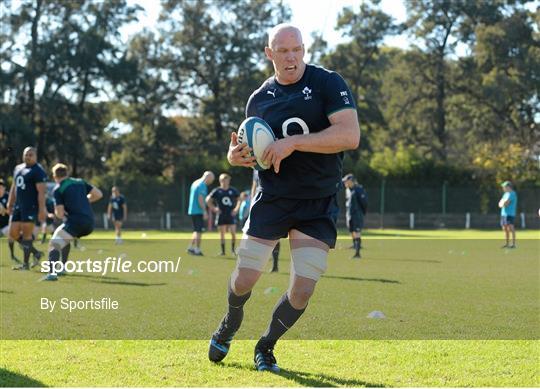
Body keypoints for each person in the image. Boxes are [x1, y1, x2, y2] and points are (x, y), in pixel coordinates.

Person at [208, 24, 360, 372]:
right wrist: (236, 156)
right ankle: (230, 322)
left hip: (317, 202)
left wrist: (292, 143)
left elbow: (349, 135)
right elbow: (252, 150)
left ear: (303, 50)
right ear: (269, 53)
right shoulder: (258, 99)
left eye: (297, 50)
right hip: (273, 198)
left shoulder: (328, 83)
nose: (291, 58)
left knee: (303, 289)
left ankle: (266, 345)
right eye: (283, 51)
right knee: (245, 278)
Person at [41, 163, 102, 281]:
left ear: (55, 176)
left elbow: (59, 213)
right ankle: (62, 268)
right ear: (67, 173)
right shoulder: (80, 182)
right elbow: (99, 194)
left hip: (76, 221)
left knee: (55, 243)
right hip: (89, 222)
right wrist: (84, 201)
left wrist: (56, 212)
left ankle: (52, 273)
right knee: (64, 238)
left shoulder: (58, 189)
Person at [7, 147, 47, 270]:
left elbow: (41, 192)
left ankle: (25, 265)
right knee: (13, 233)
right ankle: (36, 253)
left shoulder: (38, 171)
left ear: (35, 156)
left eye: (31, 155)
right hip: (19, 206)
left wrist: (41, 210)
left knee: (26, 235)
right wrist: (10, 203)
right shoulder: (18, 168)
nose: (28, 157)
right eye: (26, 154)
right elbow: (14, 187)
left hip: (31, 207)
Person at [251, 170, 280, 272]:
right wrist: (252, 202)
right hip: (260, 203)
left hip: (275, 202)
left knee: (275, 234)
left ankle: (275, 265)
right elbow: (254, 185)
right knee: (255, 234)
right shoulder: (255, 168)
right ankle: (255, 264)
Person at [206, 173, 240, 256]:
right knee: (222, 234)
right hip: (221, 215)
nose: (225, 181)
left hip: (230, 214)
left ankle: (233, 250)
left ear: (228, 181)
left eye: (226, 180)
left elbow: (239, 200)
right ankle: (223, 251)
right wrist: (214, 208)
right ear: (220, 181)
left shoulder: (233, 190)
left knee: (233, 233)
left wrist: (236, 209)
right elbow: (207, 200)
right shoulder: (217, 191)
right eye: (223, 180)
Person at [187, 171, 215, 256]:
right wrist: (204, 211)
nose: (211, 182)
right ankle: (197, 250)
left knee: (196, 230)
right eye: (211, 180)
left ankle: (190, 247)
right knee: (199, 231)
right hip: (198, 211)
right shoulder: (202, 185)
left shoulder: (195, 182)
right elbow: (200, 199)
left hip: (192, 210)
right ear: (208, 177)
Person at [343, 174, 367, 258]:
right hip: (350, 215)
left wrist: (362, 212)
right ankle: (355, 245)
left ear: (351, 181)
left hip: (357, 215)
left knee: (357, 232)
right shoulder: (348, 190)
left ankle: (357, 253)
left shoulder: (359, 189)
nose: (345, 182)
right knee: (351, 231)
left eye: (346, 181)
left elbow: (364, 203)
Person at [499, 181, 518, 249]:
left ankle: (513, 244)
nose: (503, 188)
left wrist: (502, 203)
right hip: (503, 213)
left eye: (504, 187)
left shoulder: (512, 194)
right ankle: (507, 244)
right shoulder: (505, 194)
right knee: (504, 228)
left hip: (510, 213)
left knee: (511, 228)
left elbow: (506, 203)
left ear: (508, 187)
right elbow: (501, 203)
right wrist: (502, 203)